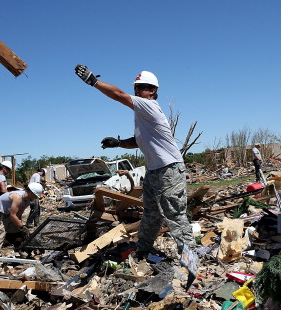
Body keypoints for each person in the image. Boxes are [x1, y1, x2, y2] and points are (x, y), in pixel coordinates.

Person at [74, 65, 195, 257]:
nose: (138, 90)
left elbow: (119, 95)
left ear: (153, 91)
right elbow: (138, 141)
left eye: (143, 87)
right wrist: (119, 143)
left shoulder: (150, 105)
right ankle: (143, 249)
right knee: (151, 214)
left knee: (173, 214)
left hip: (169, 168)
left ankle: (190, 256)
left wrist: (94, 82)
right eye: (136, 87)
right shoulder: (141, 115)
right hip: (155, 170)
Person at [0, 182, 43, 270]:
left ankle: (24, 255)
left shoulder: (27, 200)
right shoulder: (18, 197)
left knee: (17, 235)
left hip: (8, 214)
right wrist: (23, 228)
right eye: (35, 196)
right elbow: (13, 215)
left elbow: (18, 215)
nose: (35, 198)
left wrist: (20, 228)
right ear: (31, 192)